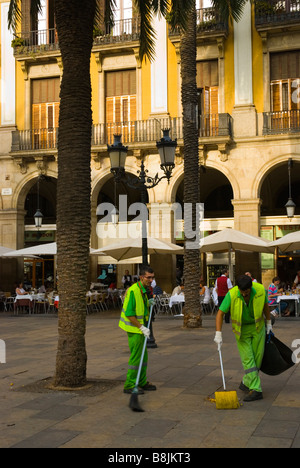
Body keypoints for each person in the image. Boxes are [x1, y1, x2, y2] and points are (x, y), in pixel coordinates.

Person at [214, 275, 272, 402]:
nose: (245, 295)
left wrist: (268, 323)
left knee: (257, 359)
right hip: (241, 331)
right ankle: (256, 389)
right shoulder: (232, 294)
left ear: (250, 288)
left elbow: (265, 306)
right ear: (238, 288)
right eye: (242, 292)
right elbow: (220, 313)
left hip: (258, 328)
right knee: (248, 359)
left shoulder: (260, 290)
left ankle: (246, 381)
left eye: (246, 292)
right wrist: (218, 333)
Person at [119, 265, 157, 394]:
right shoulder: (134, 291)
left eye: (152, 277)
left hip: (140, 329)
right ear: (141, 277)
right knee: (136, 357)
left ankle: (141, 381)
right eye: (148, 277)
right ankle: (130, 385)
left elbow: (141, 307)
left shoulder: (143, 289)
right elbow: (129, 314)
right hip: (135, 329)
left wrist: (149, 302)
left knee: (143, 356)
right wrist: (141, 327)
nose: (151, 280)